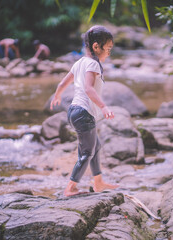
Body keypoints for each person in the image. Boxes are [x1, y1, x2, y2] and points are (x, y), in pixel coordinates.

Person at [50, 25, 119, 197]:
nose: (109, 53)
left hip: (74, 111)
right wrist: (103, 106)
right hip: (84, 113)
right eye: (108, 49)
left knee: (95, 147)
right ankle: (70, 188)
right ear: (96, 47)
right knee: (87, 152)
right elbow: (89, 88)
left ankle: (98, 182)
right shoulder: (93, 64)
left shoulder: (79, 62)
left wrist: (57, 96)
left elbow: (61, 84)